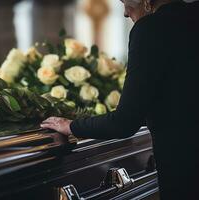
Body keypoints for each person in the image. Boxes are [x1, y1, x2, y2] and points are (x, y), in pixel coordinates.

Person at [41, 0, 199, 199]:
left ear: (147, 1)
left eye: (125, 2)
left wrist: (72, 126)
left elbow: (125, 122)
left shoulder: (151, 29)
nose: (125, 12)